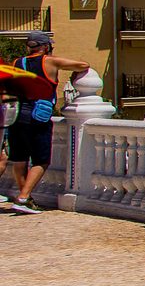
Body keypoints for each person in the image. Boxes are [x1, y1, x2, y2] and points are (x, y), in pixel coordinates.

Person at [2, 32, 88, 213]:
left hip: (17, 114)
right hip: (37, 116)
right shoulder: (50, 61)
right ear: (46, 46)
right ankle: (23, 198)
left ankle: (25, 197)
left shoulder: (17, 63)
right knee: (41, 160)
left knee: (19, 158)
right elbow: (83, 65)